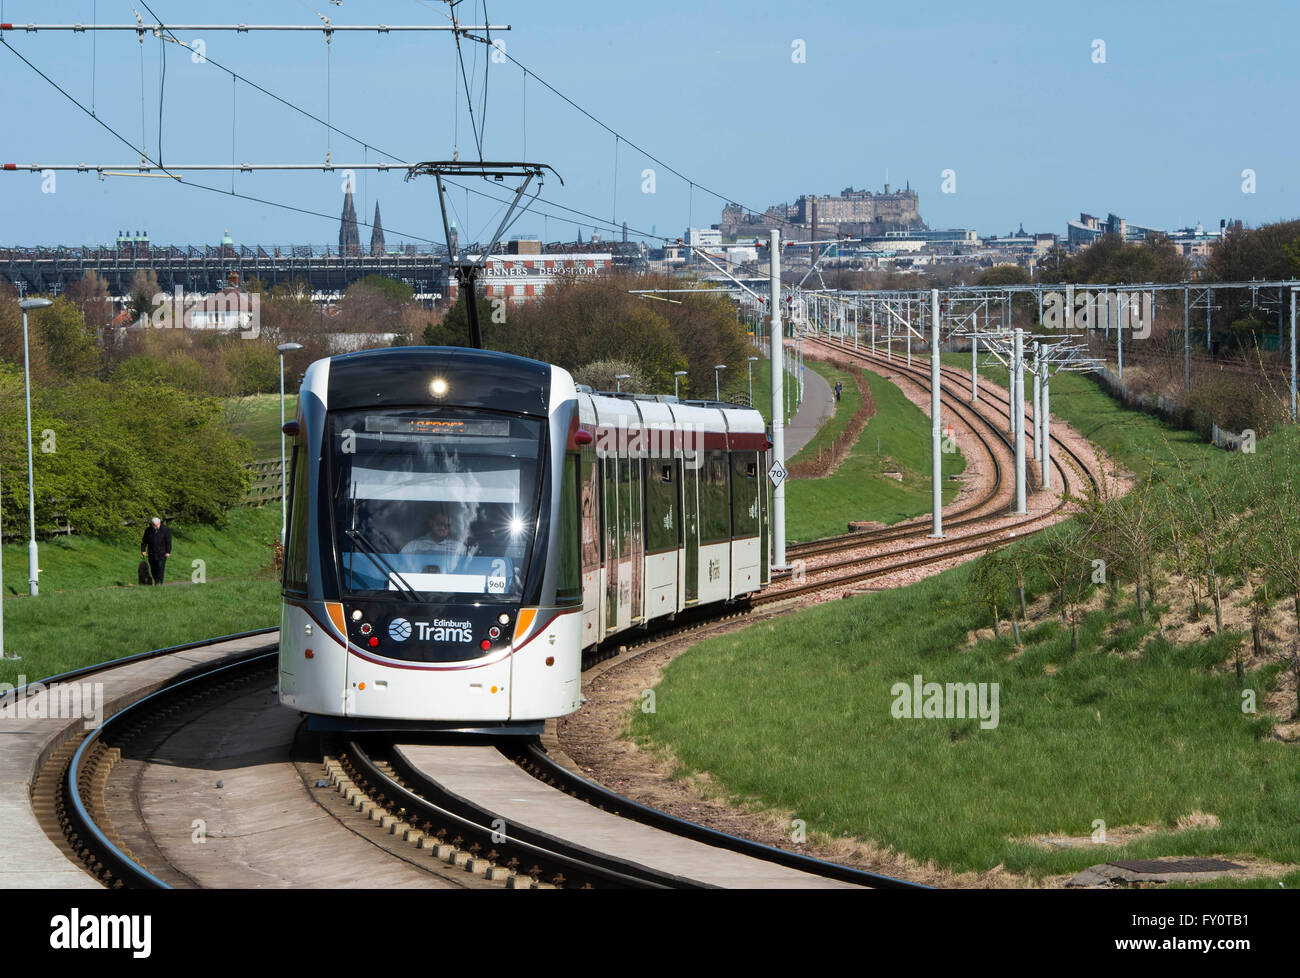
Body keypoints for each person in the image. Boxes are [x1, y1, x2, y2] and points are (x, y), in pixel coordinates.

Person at [400, 506, 467, 570]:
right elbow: (399, 564)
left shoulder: (459, 548)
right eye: (439, 524)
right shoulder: (413, 546)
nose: (443, 528)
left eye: (447, 525)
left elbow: (465, 569)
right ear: (431, 523)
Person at [140, 517, 172, 586]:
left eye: (157, 525)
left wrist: (168, 552)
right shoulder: (148, 530)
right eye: (155, 525)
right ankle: (157, 581)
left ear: (160, 523)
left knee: (160, 568)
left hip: (162, 553)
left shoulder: (165, 530)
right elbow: (144, 541)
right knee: (153, 569)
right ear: (152, 524)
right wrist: (143, 550)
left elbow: (168, 542)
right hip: (151, 553)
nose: (156, 526)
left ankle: (159, 583)